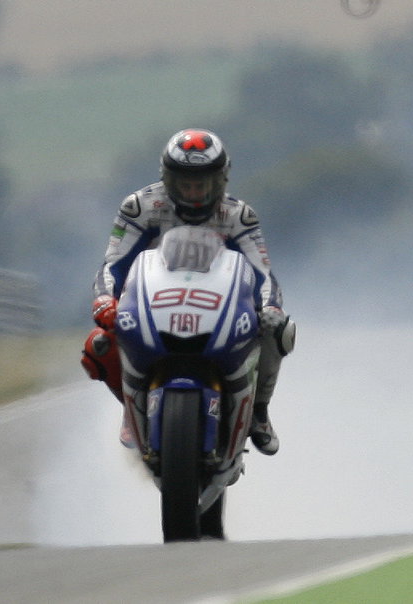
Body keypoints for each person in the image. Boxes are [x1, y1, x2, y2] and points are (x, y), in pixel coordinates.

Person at [80, 128, 295, 455]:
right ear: (168, 180)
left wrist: (271, 309)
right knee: (98, 343)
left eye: (203, 184)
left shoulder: (239, 217)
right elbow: (112, 264)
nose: (194, 193)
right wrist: (104, 300)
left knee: (281, 332)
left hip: (220, 303)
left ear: (220, 181)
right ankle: (131, 405)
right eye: (185, 184)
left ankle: (259, 413)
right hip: (152, 301)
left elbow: (263, 272)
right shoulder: (139, 208)